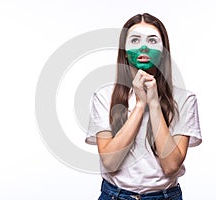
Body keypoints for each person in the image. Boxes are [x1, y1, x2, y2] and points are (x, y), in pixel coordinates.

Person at [86, 13, 202, 200]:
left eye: (152, 40)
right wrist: (140, 104)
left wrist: (154, 103)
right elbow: (110, 162)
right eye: (135, 40)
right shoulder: (104, 97)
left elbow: (171, 166)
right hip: (114, 195)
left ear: (163, 50)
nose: (143, 46)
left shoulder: (185, 100)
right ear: (124, 50)